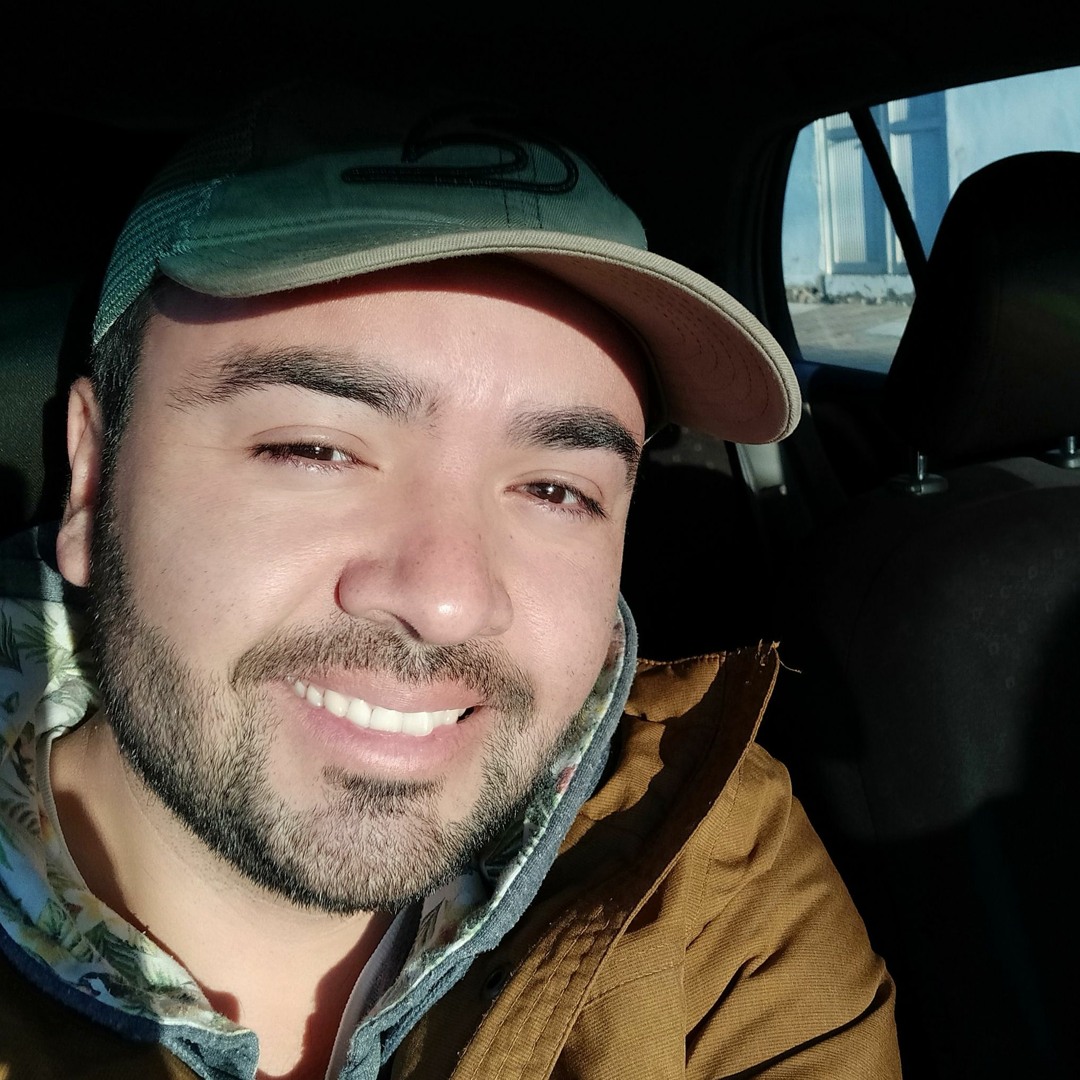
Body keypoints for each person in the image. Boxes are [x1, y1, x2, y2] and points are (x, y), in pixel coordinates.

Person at [0, 84, 901, 1078]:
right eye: (315, 449)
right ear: (91, 479)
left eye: (556, 490)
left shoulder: (703, 853)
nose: (446, 599)